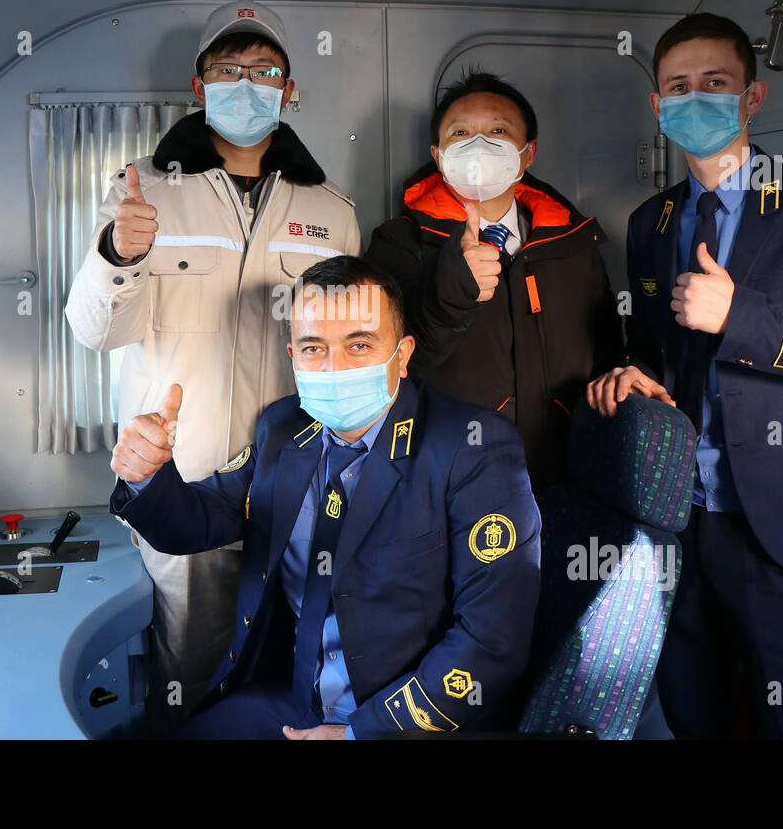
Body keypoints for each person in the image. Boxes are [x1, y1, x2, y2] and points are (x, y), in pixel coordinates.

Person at [587, 12, 783, 739]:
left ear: (752, 99)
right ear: (657, 107)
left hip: (781, 519)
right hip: (677, 513)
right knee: (695, 706)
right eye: (678, 86)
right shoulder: (652, 222)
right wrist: (630, 373)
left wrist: (745, 317)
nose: (694, 99)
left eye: (715, 83)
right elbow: (655, 348)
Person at [64, 1, 361, 717]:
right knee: (189, 675)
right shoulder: (144, 190)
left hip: (292, 478)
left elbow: (349, 346)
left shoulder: (333, 209)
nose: (247, 83)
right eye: (229, 69)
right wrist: (120, 253)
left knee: (299, 661)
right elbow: (94, 331)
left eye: (264, 71)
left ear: (288, 90)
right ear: (199, 86)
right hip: (186, 479)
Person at [109, 256, 541, 738]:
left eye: (359, 345)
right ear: (293, 356)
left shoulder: (472, 449)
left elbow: (491, 640)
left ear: (402, 354)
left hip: (401, 721)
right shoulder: (284, 428)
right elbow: (196, 521)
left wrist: (360, 734)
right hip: (293, 703)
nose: (334, 368)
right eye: (314, 347)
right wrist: (148, 475)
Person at [365, 71, 622, 491]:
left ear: (527, 153)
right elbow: (386, 367)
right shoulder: (400, 241)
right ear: (438, 153)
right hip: (446, 479)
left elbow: (607, 351)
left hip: (566, 473)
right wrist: (453, 292)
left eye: (498, 131)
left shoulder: (572, 243)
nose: (478, 145)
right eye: (461, 133)